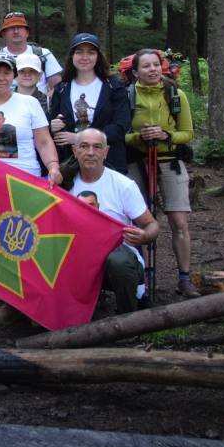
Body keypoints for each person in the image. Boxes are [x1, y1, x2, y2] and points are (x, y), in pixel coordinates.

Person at [0, 51, 63, 325]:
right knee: (0, 245)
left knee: (30, 244)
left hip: (24, 183)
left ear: (14, 75)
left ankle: (37, 305)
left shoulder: (28, 104)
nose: (2, 77)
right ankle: (7, 303)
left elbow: (43, 141)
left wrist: (53, 166)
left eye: (7, 72)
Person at [125, 49, 197, 298]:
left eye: (156, 65)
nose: (153, 69)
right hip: (137, 163)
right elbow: (119, 133)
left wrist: (167, 136)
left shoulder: (176, 94)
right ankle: (144, 277)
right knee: (140, 221)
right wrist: (138, 137)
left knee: (179, 222)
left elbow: (187, 133)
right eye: (146, 66)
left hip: (170, 161)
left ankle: (184, 278)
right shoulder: (127, 96)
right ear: (135, 72)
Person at [69, 128, 159, 314]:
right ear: (74, 150)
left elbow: (152, 225)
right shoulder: (63, 184)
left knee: (119, 262)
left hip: (115, 258)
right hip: (76, 257)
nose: (91, 152)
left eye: (97, 147)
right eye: (84, 146)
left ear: (106, 151)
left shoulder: (123, 185)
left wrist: (144, 236)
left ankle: (128, 317)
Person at [48, 33, 132, 175]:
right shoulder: (61, 88)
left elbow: (121, 126)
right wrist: (53, 125)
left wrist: (79, 139)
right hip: (71, 165)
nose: (84, 57)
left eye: (91, 52)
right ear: (72, 56)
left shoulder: (114, 86)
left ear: (98, 56)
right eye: (79, 52)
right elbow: (51, 124)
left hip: (109, 163)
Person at [0, 11, 63, 95]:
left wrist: (45, 103)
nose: (16, 31)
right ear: (3, 34)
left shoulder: (43, 54)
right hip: (3, 105)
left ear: (27, 32)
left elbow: (57, 87)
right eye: (11, 28)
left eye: (19, 27)